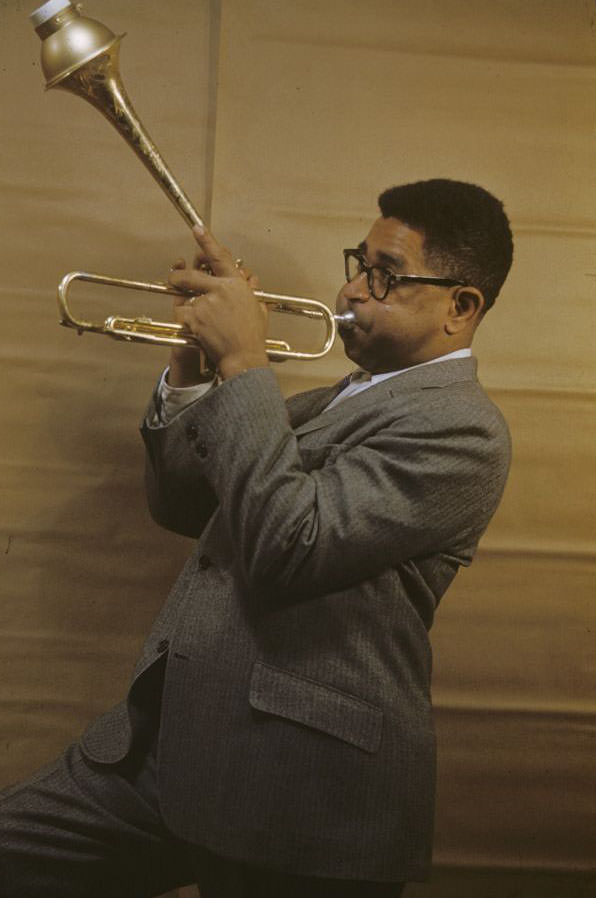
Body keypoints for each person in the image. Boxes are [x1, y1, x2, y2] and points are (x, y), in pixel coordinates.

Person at [0, 178, 513, 897]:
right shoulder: (330, 400)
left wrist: (243, 361)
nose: (353, 290)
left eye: (385, 276)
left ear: (461, 308)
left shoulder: (463, 430)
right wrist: (191, 362)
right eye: (357, 262)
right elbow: (183, 503)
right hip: (165, 750)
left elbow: (289, 547)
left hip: (299, 793)